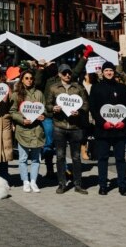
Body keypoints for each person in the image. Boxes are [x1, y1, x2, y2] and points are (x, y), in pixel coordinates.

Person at [89, 61, 126, 196]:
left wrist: (124, 122)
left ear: (114, 72)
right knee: (102, 158)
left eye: (111, 70)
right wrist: (103, 123)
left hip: (119, 130)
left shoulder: (122, 88)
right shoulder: (96, 88)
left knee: (120, 158)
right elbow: (93, 108)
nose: (109, 73)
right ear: (102, 72)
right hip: (103, 130)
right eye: (107, 70)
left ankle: (122, 185)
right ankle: (103, 185)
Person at [45, 63, 89, 194]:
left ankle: (78, 184)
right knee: (60, 156)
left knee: (76, 157)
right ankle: (62, 184)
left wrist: (80, 111)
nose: (67, 75)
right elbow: (47, 105)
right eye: (64, 73)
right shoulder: (53, 88)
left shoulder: (78, 88)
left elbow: (86, 105)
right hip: (59, 126)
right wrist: (53, 108)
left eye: (69, 73)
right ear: (59, 74)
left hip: (75, 127)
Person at [10, 70, 46, 192]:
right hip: (23, 130)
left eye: (31, 78)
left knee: (36, 158)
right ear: (22, 80)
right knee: (23, 158)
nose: (29, 80)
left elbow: (44, 109)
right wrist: (21, 119)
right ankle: (25, 181)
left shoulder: (39, 94)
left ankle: (34, 181)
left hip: (36, 130)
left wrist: (42, 115)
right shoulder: (16, 95)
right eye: (26, 78)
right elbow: (12, 111)